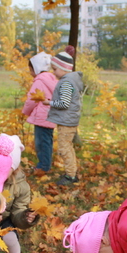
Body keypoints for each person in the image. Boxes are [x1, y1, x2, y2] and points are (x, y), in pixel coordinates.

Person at [44, 46, 83, 186]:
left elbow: (64, 103)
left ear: (64, 68)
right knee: (68, 147)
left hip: (67, 121)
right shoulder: (70, 80)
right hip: (68, 120)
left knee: (64, 148)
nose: (53, 73)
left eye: (55, 69)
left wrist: (49, 102)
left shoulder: (66, 82)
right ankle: (72, 172)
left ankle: (70, 176)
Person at [21, 52, 57, 177]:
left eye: (31, 70)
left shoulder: (39, 82)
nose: (30, 73)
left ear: (36, 68)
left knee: (41, 143)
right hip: (51, 116)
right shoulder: (53, 79)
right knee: (47, 142)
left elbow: (32, 100)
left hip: (42, 117)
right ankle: (45, 164)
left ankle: (43, 166)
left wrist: (25, 112)